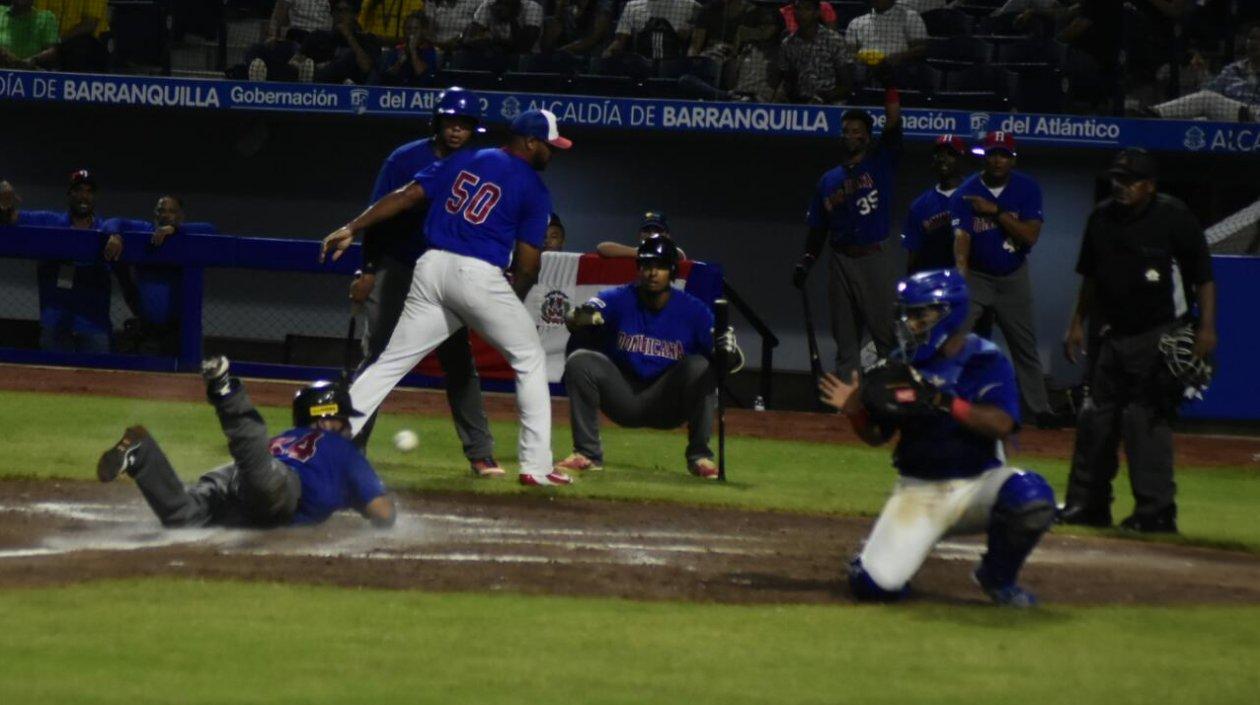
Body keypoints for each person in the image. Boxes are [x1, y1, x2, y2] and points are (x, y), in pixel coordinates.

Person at [320, 109, 574, 487]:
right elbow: (528, 266)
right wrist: (508, 300)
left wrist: (351, 227)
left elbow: (407, 196)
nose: (553, 153)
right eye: (550, 146)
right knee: (530, 357)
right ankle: (536, 466)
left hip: (431, 267)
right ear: (531, 142)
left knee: (390, 362)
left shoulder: (469, 157)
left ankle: (326, 445)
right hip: (476, 274)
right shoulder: (534, 188)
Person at [819, 269, 1055, 607]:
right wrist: (856, 409)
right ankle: (871, 561)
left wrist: (943, 401)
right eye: (907, 315)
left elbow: (1002, 424)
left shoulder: (984, 359)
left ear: (950, 313)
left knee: (1031, 495)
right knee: (874, 588)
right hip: (920, 492)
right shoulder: (899, 367)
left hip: (978, 485)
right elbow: (876, 436)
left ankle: (997, 577)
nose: (910, 323)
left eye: (920, 314)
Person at [1058, 148, 1216, 533]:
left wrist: (1207, 329)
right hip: (1112, 334)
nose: (1120, 186)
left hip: (1160, 333)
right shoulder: (1101, 218)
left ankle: (1156, 510)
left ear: (1149, 186)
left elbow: (1203, 278)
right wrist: (1077, 322)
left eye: (1129, 181)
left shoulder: (1174, 216)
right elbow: (1091, 277)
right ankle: (1088, 504)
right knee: (1095, 419)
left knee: (1144, 420)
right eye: (1117, 179)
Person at [352, 86, 502, 478]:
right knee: (378, 357)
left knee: (458, 362)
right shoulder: (404, 159)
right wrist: (367, 269)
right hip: (399, 267)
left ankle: (480, 453)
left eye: (464, 125)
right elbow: (377, 214)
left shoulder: (479, 163)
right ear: (436, 123)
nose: (456, 131)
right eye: (450, 122)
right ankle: (350, 446)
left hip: (446, 274)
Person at [96, 356, 396, 529]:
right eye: (343, 420)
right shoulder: (341, 449)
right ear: (326, 419)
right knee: (259, 470)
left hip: (236, 479)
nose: (347, 428)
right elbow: (384, 513)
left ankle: (143, 454)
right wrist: (364, 502)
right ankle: (228, 394)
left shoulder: (289, 438)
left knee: (183, 516)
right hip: (277, 485)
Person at [556, 235, 741, 479]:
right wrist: (579, 318)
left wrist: (728, 351)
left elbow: (730, 364)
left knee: (701, 365)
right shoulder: (617, 297)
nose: (653, 273)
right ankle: (586, 454)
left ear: (672, 272)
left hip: (667, 403)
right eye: (646, 265)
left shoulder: (694, 311)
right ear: (639, 269)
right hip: (623, 395)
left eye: (661, 266)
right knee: (580, 361)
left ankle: (700, 457)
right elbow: (579, 315)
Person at [792, 87, 903, 382]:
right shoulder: (829, 180)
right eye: (845, 130)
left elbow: (893, 126)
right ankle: (847, 406)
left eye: (856, 130)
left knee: (886, 335)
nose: (849, 135)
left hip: (874, 257)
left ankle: (894, 400)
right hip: (840, 259)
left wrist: (890, 90)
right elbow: (818, 228)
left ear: (867, 135)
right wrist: (807, 260)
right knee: (845, 337)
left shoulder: (880, 162)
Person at [949, 131, 1058, 428]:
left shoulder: (1027, 188)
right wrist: (960, 281)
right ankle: (941, 400)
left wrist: (996, 212)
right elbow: (962, 239)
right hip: (978, 277)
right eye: (993, 153)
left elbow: (1030, 235)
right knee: (955, 336)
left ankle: (1041, 408)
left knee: (1024, 346)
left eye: (1004, 154)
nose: (998, 159)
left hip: (1013, 276)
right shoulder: (967, 192)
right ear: (984, 156)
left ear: (1013, 158)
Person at [5, 170, 121, 354]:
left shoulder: (106, 229)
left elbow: (127, 225)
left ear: (94, 196)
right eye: (78, 190)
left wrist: (115, 233)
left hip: (94, 325)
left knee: (96, 380)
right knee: (54, 379)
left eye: (89, 191)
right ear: (69, 194)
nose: (83, 195)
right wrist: (5, 204)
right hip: (56, 324)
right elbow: (10, 219)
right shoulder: (49, 221)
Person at [107, 195, 218, 356]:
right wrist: (114, 235)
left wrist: (175, 230)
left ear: (181, 216)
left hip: (180, 330)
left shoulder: (187, 236)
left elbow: (211, 229)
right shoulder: (145, 230)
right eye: (161, 210)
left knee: (183, 378)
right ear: (155, 214)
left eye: (172, 211)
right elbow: (113, 222)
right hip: (148, 329)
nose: (166, 215)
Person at [1149, 25, 1260, 122]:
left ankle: (1154, 113)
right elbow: (1209, 93)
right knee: (1199, 118)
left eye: (1258, 39)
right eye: (1251, 38)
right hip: (1234, 115)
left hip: (1256, 116)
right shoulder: (1233, 69)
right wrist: (1202, 71)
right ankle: (1152, 116)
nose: (1253, 43)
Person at [902, 134, 967, 275]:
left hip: (972, 280)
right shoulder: (919, 206)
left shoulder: (975, 196)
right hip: (934, 278)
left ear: (961, 160)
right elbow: (912, 259)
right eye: (939, 154)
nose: (943, 158)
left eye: (950, 154)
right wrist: (929, 237)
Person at [774, 0, 851, 104]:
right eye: (798, 9)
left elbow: (846, 84)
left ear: (817, 13)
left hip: (831, 103)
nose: (801, 13)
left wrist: (822, 98)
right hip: (800, 104)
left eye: (807, 9)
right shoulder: (788, 43)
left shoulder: (834, 40)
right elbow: (788, 80)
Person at [844, 0, 928, 71]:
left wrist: (899, 57)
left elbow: (921, 48)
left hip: (900, 70)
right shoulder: (857, 22)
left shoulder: (910, 16)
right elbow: (849, 51)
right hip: (865, 71)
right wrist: (861, 58)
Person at [376, 11, 440, 86]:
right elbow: (387, 76)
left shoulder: (429, 50)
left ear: (423, 31)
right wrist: (399, 62)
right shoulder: (398, 50)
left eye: (416, 29)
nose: (412, 32)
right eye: (408, 29)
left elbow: (422, 75)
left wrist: (412, 50)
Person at [595, 210, 689, 259]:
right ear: (640, 234)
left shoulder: (673, 251)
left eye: (657, 230)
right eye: (647, 230)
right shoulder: (636, 252)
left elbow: (678, 255)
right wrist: (641, 253)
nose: (652, 234)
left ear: (667, 235)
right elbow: (602, 248)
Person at [0, 0, 60, 69]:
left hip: (32, 74)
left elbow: (52, 50)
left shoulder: (46, 18)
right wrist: (6, 55)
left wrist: (32, 61)